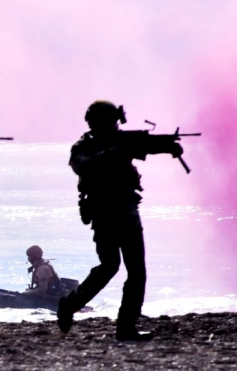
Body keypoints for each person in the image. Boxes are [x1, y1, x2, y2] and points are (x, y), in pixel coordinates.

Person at [56, 100, 183, 341]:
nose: (114, 126)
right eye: (109, 122)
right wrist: (113, 152)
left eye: (114, 122)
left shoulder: (121, 141)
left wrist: (168, 147)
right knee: (109, 266)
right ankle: (69, 305)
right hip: (104, 214)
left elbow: (146, 144)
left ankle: (126, 327)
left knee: (137, 271)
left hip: (127, 213)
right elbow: (81, 165)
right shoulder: (84, 146)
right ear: (97, 123)